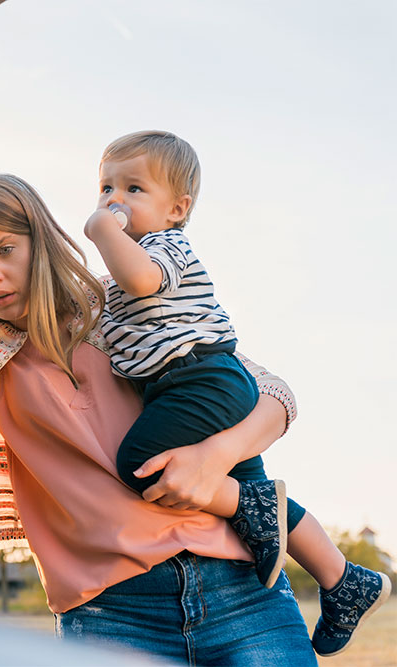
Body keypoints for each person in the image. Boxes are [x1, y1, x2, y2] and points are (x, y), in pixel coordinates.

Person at [0, 66, 316, 664]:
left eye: (5, 250)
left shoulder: (117, 307)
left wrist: (215, 457)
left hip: (241, 590)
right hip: (112, 615)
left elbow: (273, 393)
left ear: (40, 241)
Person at [82, 131, 390, 656]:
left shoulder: (164, 248)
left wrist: (99, 231)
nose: (115, 200)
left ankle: (280, 529)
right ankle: (344, 580)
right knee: (250, 488)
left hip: (201, 380)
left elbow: (139, 280)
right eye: (106, 187)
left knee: (140, 463)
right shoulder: (120, 270)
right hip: (190, 386)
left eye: (134, 189)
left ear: (177, 210)